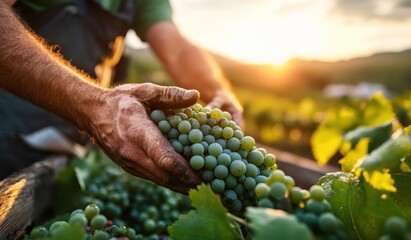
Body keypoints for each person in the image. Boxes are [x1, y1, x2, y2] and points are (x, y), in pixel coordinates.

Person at [0, 0, 243, 194]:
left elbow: (177, 49)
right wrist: (95, 105)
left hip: (73, 144)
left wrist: (218, 89)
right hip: (8, 133)